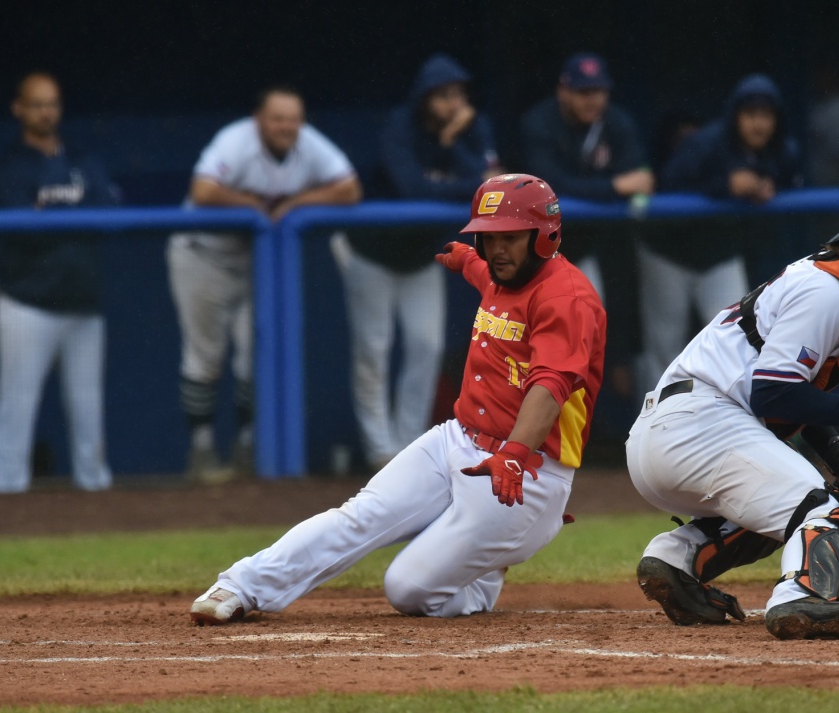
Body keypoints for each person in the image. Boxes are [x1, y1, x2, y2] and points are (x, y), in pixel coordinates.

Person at [190, 174, 607, 625]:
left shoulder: (567, 298)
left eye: (509, 237)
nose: (496, 249)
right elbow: (486, 274)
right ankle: (241, 584)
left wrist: (515, 453)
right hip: (458, 439)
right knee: (359, 517)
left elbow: (549, 385)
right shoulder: (501, 272)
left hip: (524, 473)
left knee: (407, 589)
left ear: (543, 237)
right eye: (487, 238)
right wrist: (468, 258)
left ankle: (489, 566)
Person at [627, 183, 839, 640]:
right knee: (831, 514)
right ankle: (801, 595)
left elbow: (791, 407)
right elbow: (773, 396)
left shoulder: (831, 285)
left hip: (673, 432)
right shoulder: (826, 292)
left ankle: (677, 559)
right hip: (701, 426)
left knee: (782, 515)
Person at [167, 86, 362, 483]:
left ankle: (246, 448)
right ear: (259, 119)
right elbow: (201, 190)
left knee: (253, 359)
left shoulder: (308, 144)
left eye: (292, 119)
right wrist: (254, 205)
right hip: (203, 254)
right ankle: (201, 451)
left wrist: (294, 204)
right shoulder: (235, 141)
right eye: (277, 118)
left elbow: (350, 189)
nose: (285, 127)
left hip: (255, 260)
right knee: (205, 356)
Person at [335, 53, 501, 471]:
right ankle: (378, 449)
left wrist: (453, 146)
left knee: (426, 346)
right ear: (425, 98)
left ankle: (407, 449)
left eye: (459, 95)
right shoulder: (400, 125)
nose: (453, 103)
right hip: (372, 251)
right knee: (374, 348)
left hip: (423, 255)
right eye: (444, 95)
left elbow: (492, 187)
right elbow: (411, 189)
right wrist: (461, 182)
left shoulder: (470, 130)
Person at [0, 72, 118, 495]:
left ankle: (95, 499)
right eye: (37, 104)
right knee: (16, 407)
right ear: (19, 109)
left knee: (87, 410)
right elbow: (26, 227)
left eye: (53, 104)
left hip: (81, 302)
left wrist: (52, 213)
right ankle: (6, 496)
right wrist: (67, 219)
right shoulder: (12, 165)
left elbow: (109, 207)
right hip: (26, 302)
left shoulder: (80, 159)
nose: (46, 112)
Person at [638, 73, 800, 393]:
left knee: (737, 340)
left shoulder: (781, 150)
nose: (759, 124)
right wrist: (724, 186)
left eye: (766, 116)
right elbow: (665, 186)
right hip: (669, 252)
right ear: (736, 116)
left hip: (721, 254)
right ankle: (652, 429)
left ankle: (732, 423)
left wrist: (763, 187)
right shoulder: (706, 143)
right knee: (665, 346)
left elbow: (792, 182)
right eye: (751, 115)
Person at [519, 51, 655, 300]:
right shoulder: (538, 122)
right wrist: (613, 187)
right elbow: (548, 185)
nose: (592, 100)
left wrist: (622, 185)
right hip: (532, 249)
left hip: (587, 246)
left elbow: (638, 175)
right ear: (563, 91)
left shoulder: (617, 121)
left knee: (589, 317)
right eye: (583, 92)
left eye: (599, 91)